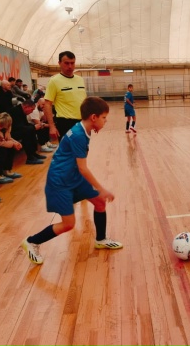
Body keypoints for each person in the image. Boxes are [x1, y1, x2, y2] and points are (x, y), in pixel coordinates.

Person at [22, 97, 122, 265]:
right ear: (93, 117)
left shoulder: (84, 129)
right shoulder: (78, 135)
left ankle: (101, 239)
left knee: (99, 202)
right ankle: (32, 241)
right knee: (68, 224)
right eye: (104, 117)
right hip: (60, 182)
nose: (106, 121)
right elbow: (83, 168)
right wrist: (101, 188)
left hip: (73, 177)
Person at [44, 51, 87, 141]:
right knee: (68, 149)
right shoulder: (54, 81)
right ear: (59, 63)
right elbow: (47, 104)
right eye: (66, 63)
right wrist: (51, 126)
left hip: (82, 122)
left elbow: (84, 101)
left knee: (83, 148)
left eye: (72, 63)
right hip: (65, 123)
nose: (70, 66)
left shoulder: (80, 80)